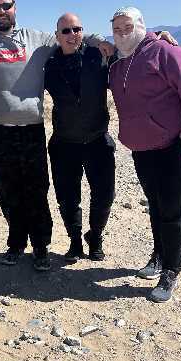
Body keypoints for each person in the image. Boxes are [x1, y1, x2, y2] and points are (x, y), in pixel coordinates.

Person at [0, 0, 109, 272]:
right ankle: (16, 243)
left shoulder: (37, 40)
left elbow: (72, 35)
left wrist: (104, 40)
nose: (1, 11)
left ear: (15, 7)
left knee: (37, 191)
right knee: (7, 191)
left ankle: (41, 247)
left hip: (31, 130)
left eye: (6, 6)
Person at [108, 7, 181, 302]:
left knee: (173, 208)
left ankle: (172, 270)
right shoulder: (118, 60)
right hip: (142, 147)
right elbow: (81, 40)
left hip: (174, 144)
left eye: (128, 27)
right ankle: (160, 255)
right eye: (117, 29)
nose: (123, 34)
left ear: (141, 26)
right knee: (156, 205)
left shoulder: (164, 51)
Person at [44, 13, 115, 263]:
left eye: (77, 29)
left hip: (97, 140)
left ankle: (95, 236)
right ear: (57, 36)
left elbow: (132, 52)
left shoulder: (98, 55)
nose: (72, 35)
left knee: (104, 196)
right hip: (65, 143)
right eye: (66, 31)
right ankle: (74, 241)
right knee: (67, 198)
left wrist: (156, 37)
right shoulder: (49, 64)